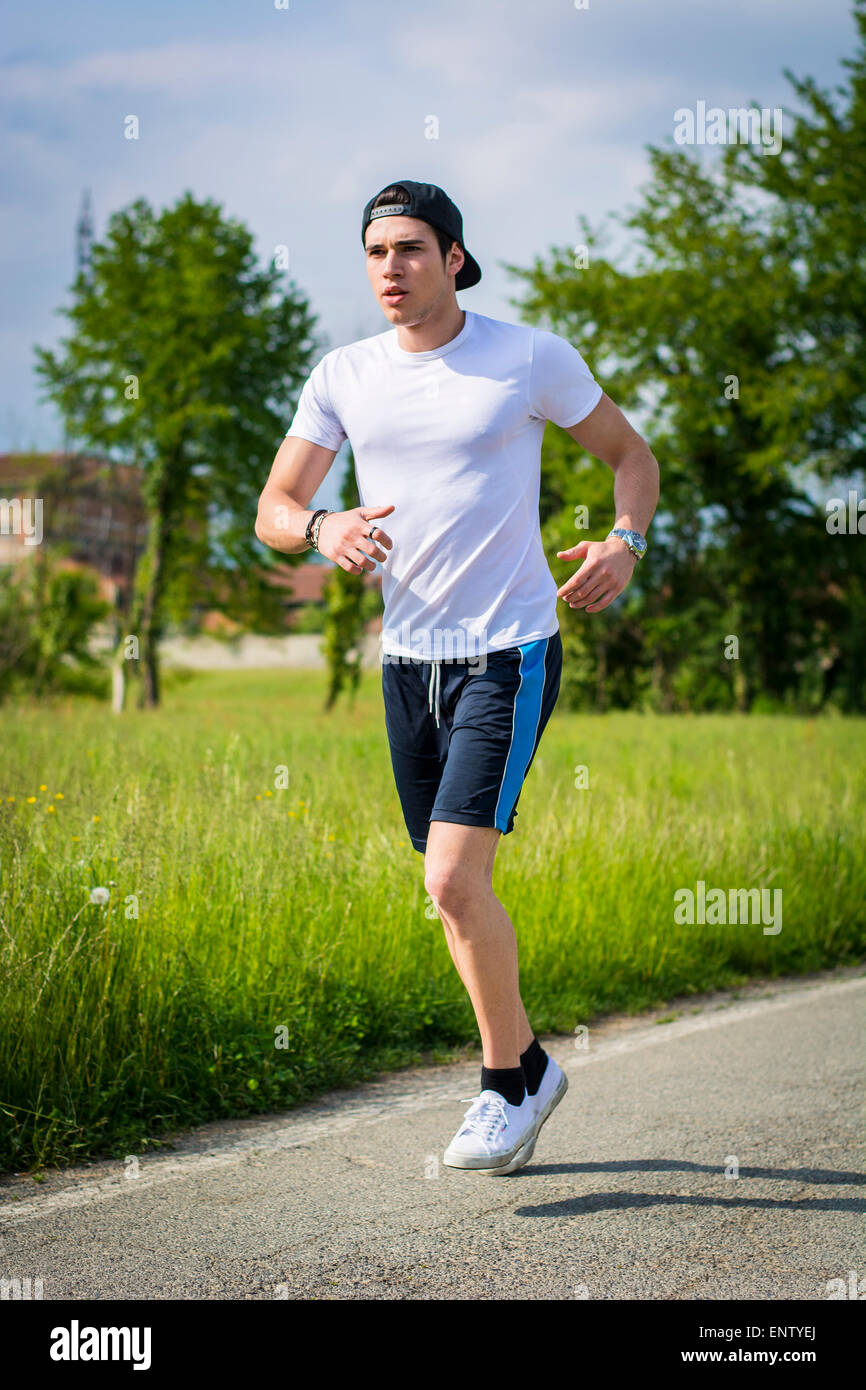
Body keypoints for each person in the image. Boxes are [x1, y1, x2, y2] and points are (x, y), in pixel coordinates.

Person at [255, 180, 659, 1175]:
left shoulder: (524, 357)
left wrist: (624, 542)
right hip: (406, 664)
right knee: (450, 895)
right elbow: (272, 504)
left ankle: (496, 1090)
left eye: (408, 249)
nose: (388, 268)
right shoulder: (343, 374)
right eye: (374, 252)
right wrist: (322, 527)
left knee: (450, 875)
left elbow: (630, 456)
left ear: (453, 258)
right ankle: (530, 1068)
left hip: (507, 651)